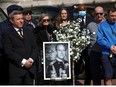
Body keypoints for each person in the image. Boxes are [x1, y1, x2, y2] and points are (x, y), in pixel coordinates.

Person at [2, 10, 37, 85]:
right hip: (16, 72)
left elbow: (35, 48)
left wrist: (31, 60)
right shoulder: (7, 33)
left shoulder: (29, 31)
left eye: (22, 18)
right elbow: (8, 52)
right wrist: (24, 62)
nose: (21, 21)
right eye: (18, 19)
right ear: (12, 21)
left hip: (29, 71)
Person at [0, 4, 23, 85]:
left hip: (22, 61)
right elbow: (1, 44)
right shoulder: (2, 27)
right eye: (18, 12)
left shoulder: (22, 25)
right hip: (8, 61)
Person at [34, 13, 57, 85]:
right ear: (41, 21)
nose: (46, 21)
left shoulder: (52, 29)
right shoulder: (37, 30)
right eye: (44, 20)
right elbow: (35, 44)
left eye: (48, 20)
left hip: (52, 55)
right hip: (41, 55)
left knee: (52, 75)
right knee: (43, 76)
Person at [74, 4, 93, 85]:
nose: (82, 12)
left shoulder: (91, 20)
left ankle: (87, 83)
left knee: (88, 66)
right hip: (79, 47)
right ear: (78, 11)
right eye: (80, 10)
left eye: (83, 10)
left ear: (86, 11)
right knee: (77, 65)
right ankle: (74, 81)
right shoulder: (75, 20)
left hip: (88, 47)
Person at [97, 7, 116, 85]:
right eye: (112, 16)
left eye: (115, 15)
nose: (114, 17)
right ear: (107, 15)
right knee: (108, 76)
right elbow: (100, 39)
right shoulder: (101, 26)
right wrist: (110, 46)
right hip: (106, 54)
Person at [87, 6, 105, 85]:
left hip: (105, 52)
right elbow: (86, 39)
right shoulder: (90, 25)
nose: (99, 15)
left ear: (103, 14)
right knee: (95, 75)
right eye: (97, 14)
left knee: (106, 75)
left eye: (101, 13)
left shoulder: (107, 24)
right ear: (94, 14)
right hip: (94, 52)